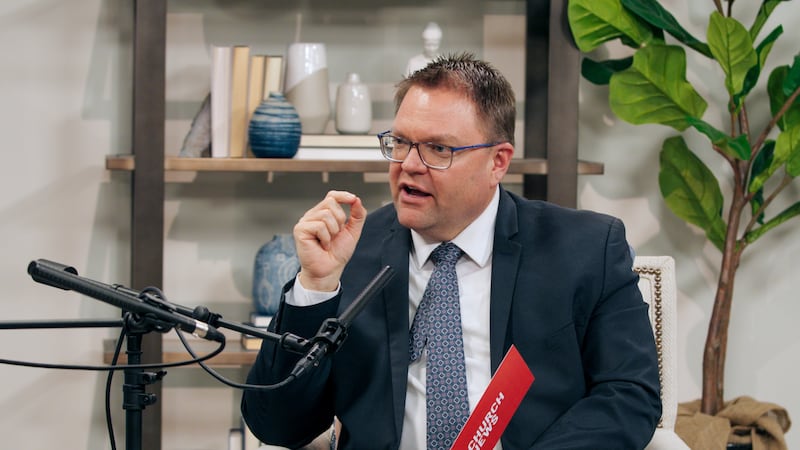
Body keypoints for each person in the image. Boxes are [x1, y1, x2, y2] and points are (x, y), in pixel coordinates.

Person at [241, 53, 662, 449]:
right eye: (401, 142)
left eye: (438, 149)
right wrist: (315, 287)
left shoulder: (584, 248)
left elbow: (629, 394)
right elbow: (276, 424)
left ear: (498, 162)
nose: (408, 164)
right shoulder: (350, 252)